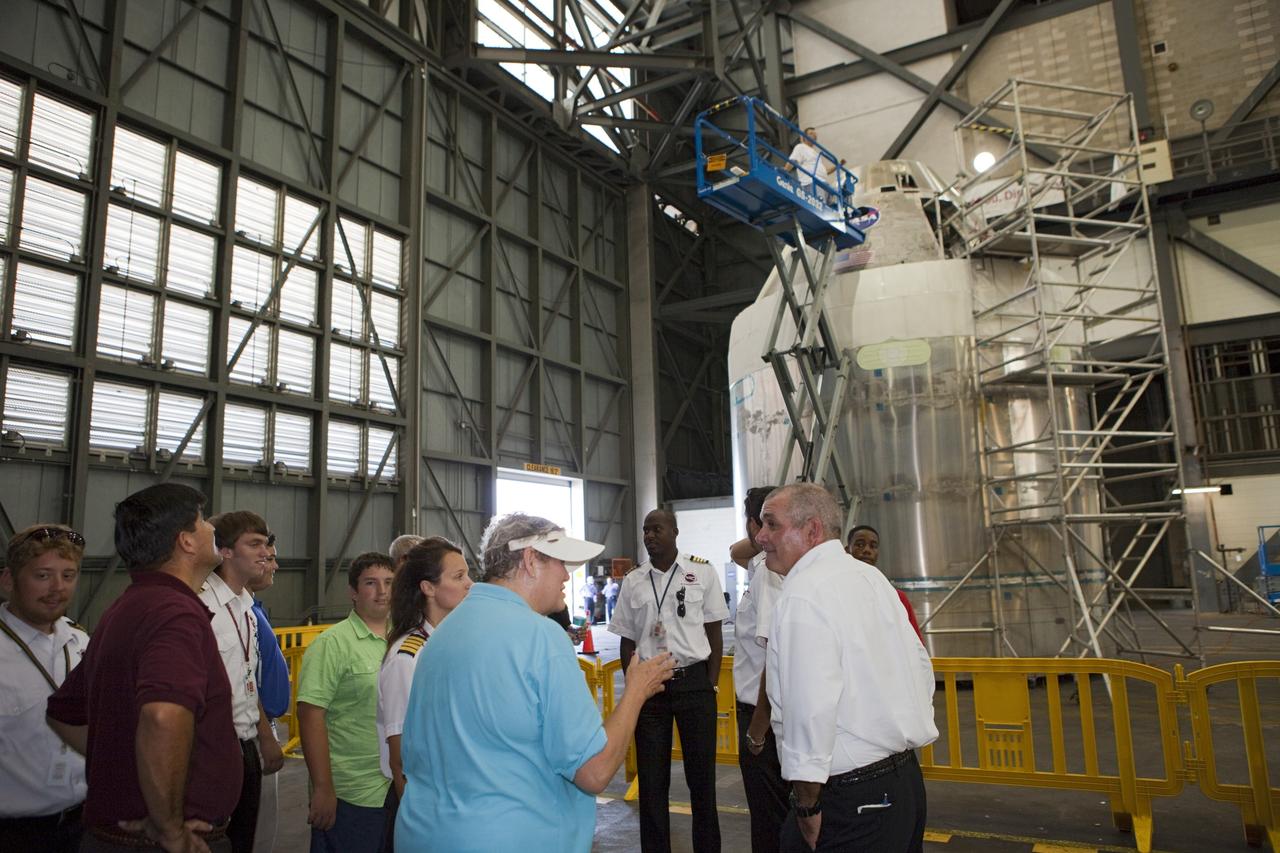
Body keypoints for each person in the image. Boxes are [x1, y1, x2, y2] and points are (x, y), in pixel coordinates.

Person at [395, 515, 674, 852]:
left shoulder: (439, 637)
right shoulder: (541, 637)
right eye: (560, 562)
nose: (566, 574)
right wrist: (635, 691)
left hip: (424, 835)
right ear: (530, 560)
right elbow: (595, 770)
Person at [47, 483, 241, 853]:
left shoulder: (127, 607)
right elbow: (163, 717)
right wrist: (170, 828)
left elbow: (64, 714)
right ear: (185, 541)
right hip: (163, 843)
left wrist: (132, 767)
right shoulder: (175, 613)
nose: (211, 528)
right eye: (202, 520)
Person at [758, 484, 937, 853]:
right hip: (902, 784)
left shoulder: (804, 593)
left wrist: (808, 805)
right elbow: (920, 667)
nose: (761, 536)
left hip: (851, 797)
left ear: (812, 530)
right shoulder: (872, 579)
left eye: (772, 524)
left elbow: (809, 708)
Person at [608, 508, 729, 853]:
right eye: (646, 530)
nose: (649, 536)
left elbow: (714, 633)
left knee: (702, 781)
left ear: (675, 532)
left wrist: (709, 683)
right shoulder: (633, 580)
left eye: (656, 529)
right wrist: (634, 687)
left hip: (694, 685)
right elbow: (627, 639)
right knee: (652, 781)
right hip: (651, 688)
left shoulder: (702, 573)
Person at [376, 536, 472, 850]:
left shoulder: (449, 644)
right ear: (428, 588)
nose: (469, 584)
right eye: (458, 577)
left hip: (454, 800)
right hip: (424, 810)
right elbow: (400, 758)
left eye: (467, 574)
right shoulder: (409, 657)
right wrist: (420, 827)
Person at [297, 552, 395, 853]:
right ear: (353, 592)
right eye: (370, 583)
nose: (382, 591)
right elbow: (310, 715)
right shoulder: (332, 644)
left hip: (396, 787)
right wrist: (324, 789)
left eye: (389, 582)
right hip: (353, 791)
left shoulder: (405, 639)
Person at [0, 524, 88, 853]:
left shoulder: (81, 643)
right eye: (43, 576)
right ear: (9, 579)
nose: (57, 588)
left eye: (68, 575)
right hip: (15, 834)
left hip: (81, 824)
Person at [201, 511, 284, 852]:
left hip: (245, 744)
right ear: (225, 551)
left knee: (243, 841)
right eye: (254, 544)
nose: (266, 553)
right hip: (214, 748)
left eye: (266, 544)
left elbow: (245, 681)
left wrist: (264, 737)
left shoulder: (246, 608)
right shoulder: (202, 605)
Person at [729, 488, 788, 853]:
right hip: (777, 714)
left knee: (770, 820)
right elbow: (737, 551)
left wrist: (756, 731)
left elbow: (774, 656)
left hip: (763, 717)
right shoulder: (771, 561)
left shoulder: (769, 572)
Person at [248, 538, 289, 853]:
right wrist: (265, 735)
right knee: (254, 834)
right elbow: (242, 679)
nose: (274, 565)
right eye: (268, 558)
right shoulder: (237, 612)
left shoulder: (252, 608)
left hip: (263, 726)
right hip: (255, 731)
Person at [846, 525, 924, 644]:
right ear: (847, 550)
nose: (867, 550)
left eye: (873, 546)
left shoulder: (898, 598)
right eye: (860, 544)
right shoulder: (837, 594)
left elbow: (917, 645)